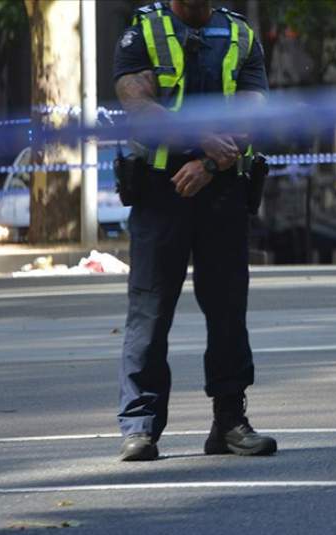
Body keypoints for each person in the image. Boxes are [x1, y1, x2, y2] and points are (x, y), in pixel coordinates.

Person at [113, 0, 276, 461]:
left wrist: (207, 162)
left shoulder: (240, 36)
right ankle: (139, 427)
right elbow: (137, 105)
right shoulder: (143, 31)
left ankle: (229, 423)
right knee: (150, 311)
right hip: (158, 192)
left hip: (222, 189)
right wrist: (200, 140)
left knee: (228, 310)